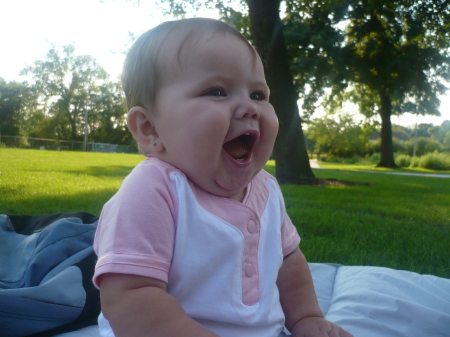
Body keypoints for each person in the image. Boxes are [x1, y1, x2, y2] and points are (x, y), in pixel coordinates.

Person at [93, 18, 353, 337]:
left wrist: (306, 318)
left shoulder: (267, 189)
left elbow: (289, 261)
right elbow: (129, 298)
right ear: (150, 129)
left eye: (258, 94)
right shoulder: (153, 190)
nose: (250, 108)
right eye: (217, 91)